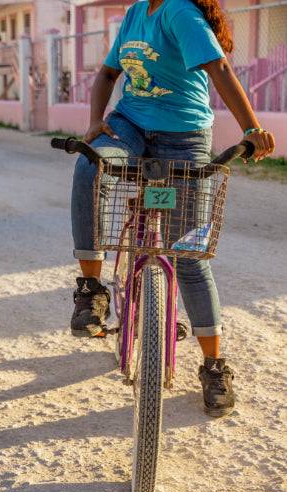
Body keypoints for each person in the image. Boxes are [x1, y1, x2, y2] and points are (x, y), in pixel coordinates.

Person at [69, 0, 275, 417]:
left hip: (183, 137)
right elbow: (109, 73)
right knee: (91, 165)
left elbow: (219, 69)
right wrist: (96, 120)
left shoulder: (180, 13)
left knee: (189, 255)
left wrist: (252, 129)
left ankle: (214, 366)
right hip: (128, 125)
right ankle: (91, 290)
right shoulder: (134, 13)